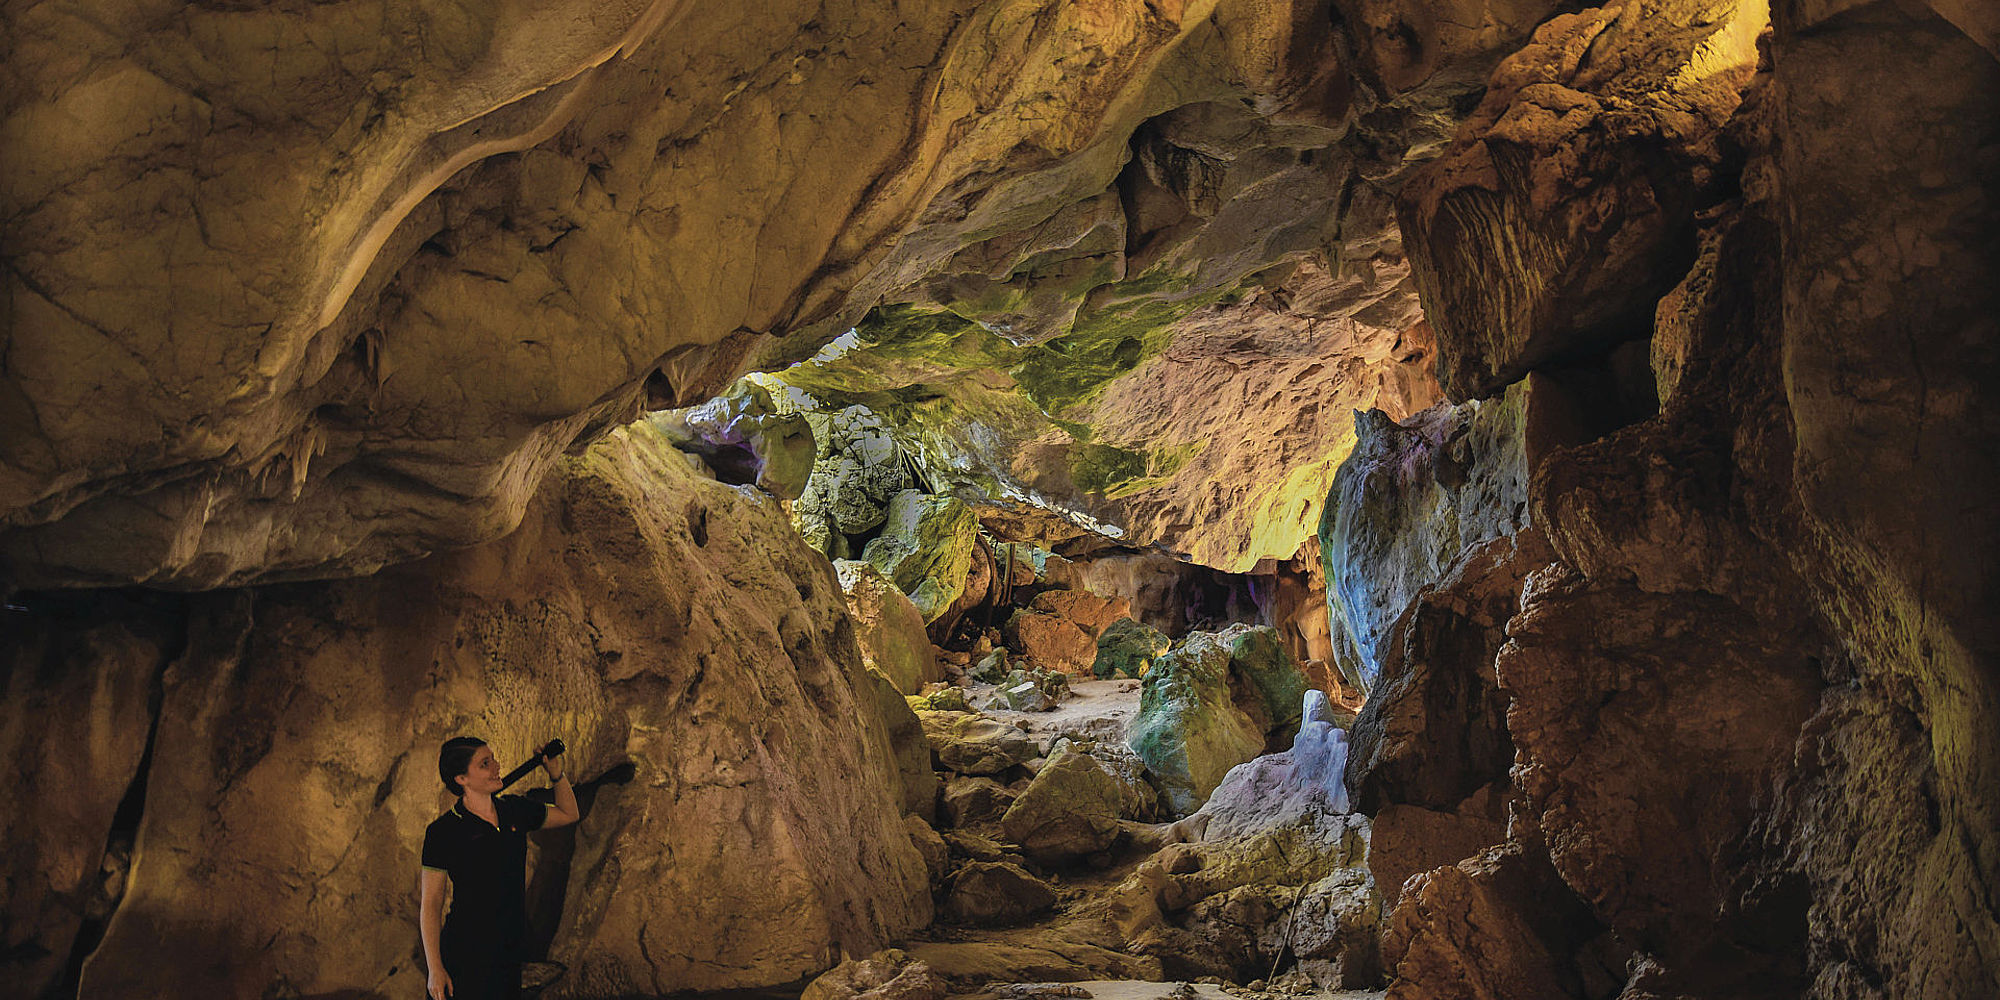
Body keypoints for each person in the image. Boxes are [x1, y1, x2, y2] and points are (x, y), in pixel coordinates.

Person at [419, 737, 581, 999]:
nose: (497, 766)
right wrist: (435, 968)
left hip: (508, 951)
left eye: (493, 759)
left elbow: (569, 813)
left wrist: (556, 774)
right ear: (462, 779)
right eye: (485, 764)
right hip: (464, 953)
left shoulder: (514, 810)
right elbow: (431, 902)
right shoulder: (443, 832)